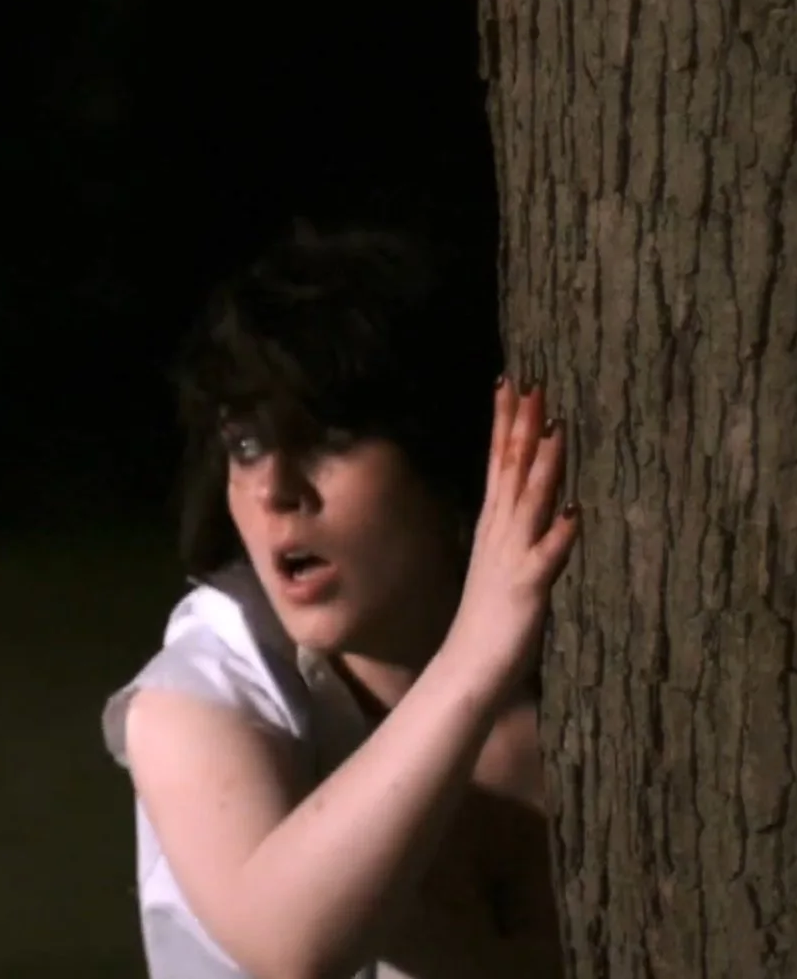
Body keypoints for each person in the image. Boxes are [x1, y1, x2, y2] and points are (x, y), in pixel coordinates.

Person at [101, 223, 577, 979]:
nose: (274, 490)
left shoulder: (582, 672)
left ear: (441, 453)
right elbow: (291, 944)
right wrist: (477, 652)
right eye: (246, 445)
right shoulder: (203, 690)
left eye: (326, 438)